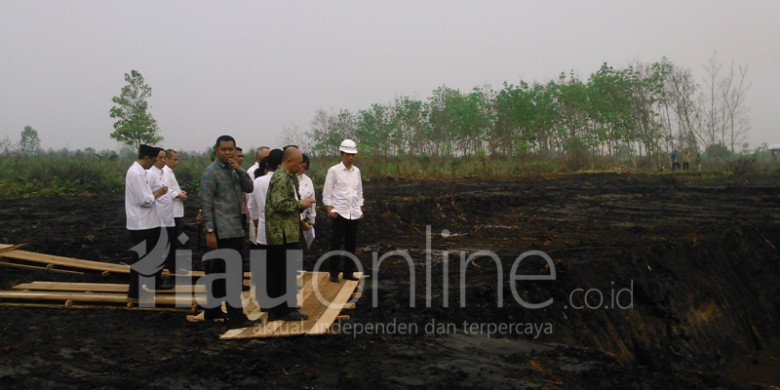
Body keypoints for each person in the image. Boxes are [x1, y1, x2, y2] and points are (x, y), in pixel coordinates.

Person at [199, 135, 256, 328]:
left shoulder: (234, 171)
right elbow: (206, 205)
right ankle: (236, 317)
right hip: (220, 231)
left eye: (231, 149)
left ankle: (212, 310)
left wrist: (239, 170)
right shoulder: (210, 173)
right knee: (228, 275)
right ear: (216, 151)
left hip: (235, 228)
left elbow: (249, 187)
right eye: (224, 149)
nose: (228, 152)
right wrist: (209, 231)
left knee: (226, 273)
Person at [264, 146, 314, 321]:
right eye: (299, 162)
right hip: (282, 233)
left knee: (280, 272)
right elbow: (279, 204)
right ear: (289, 161)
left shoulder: (287, 177)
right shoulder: (281, 178)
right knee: (284, 272)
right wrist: (301, 204)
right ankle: (286, 309)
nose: (301, 165)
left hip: (286, 232)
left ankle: (277, 309)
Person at [125, 145, 170, 299]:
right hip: (140, 223)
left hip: (148, 222)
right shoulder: (136, 173)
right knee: (140, 257)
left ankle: (150, 285)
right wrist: (159, 193)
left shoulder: (140, 172)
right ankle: (136, 292)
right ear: (146, 158)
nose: (153, 164)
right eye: (153, 160)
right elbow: (144, 200)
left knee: (150, 256)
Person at [322, 139, 363, 283]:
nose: (350, 157)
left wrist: (360, 208)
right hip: (339, 212)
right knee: (336, 242)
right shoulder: (334, 171)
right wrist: (329, 208)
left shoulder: (356, 171)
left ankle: (348, 272)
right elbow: (327, 191)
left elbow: (359, 192)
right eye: (347, 154)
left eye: (352, 155)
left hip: (353, 213)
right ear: (341, 154)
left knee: (351, 243)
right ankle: (334, 272)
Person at [147, 148, 176, 289]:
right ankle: (155, 281)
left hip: (166, 217)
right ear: (153, 158)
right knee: (157, 250)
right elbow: (147, 195)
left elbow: (167, 189)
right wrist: (161, 192)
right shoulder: (150, 174)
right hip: (156, 218)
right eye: (160, 158)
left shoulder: (163, 173)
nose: (163, 160)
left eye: (165, 158)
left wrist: (176, 193)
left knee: (163, 249)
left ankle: (158, 279)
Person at [164, 149, 188, 273]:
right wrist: (178, 195)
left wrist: (179, 192)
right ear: (167, 159)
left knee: (173, 240)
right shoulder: (165, 172)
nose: (176, 162)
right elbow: (165, 189)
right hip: (171, 212)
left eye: (177, 159)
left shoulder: (169, 172)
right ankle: (172, 267)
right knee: (171, 240)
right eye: (174, 159)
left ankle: (172, 265)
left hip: (175, 211)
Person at [297, 153, 316, 248]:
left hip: (304, 219)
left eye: (305, 168)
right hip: (292, 220)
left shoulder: (308, 181)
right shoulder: (288, 179)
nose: (302, 169)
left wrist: (311, 219)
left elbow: (312, 200)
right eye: (301, 166)